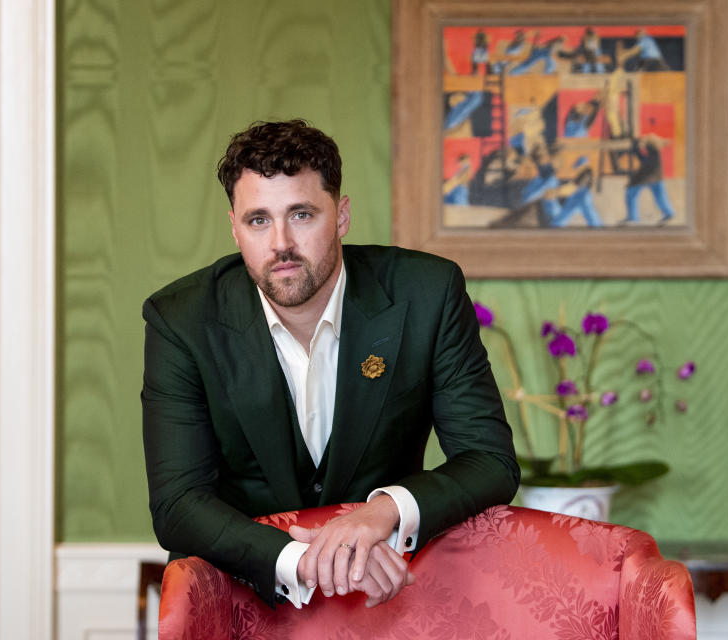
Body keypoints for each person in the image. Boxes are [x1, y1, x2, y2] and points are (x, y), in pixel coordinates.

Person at [141, 120, 519, 612]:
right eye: (259, 220)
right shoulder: (181, 319)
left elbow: (490, 460)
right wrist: (302, 559)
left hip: (387, 593)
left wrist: (383, 511)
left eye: (301, 214)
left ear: (340, 216)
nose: (280, 243)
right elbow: (178, 506)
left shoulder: (427, 294)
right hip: (242, 596)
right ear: (234, 226)